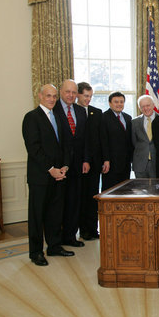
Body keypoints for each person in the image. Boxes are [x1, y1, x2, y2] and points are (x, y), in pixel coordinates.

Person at [22, 84, 74, 266]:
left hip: (60, 174)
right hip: (41, 177)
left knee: (55, 213)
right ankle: (35, 252)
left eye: (54, 96)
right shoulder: (31, 118)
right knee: (37, 216)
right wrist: (50, 169)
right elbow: (34, 148)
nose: (52, 99)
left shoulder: (58, 117)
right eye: (48, 96)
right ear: (40, 96)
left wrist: (64, 167)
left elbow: (66, 144)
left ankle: (54, 246)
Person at [53, 79, 87, 248]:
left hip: (78, 164)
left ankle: (71, 236)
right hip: (59, 166)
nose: (71, 95)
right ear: (61, 91)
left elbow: (85, 139)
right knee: (59, 203)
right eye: (68, 92)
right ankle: (56, 240)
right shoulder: (53, 109)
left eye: (74, 93)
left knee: (75, 201)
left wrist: (86, 159)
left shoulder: (81, 111)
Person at [76, 82, 107, 240]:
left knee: (93, 197)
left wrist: (105, 159)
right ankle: (82, 230)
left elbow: (101, 138)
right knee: (80, 198)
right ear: (78, 95)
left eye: (90, 96)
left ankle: (92, 229)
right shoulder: (73, 112)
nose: (88, 99)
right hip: (78, 163)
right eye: (85, 96)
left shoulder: (97, 112)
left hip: (95, 163)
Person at [101, 91, 133, 191]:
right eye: (116, 102)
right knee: (110, 191)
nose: (119, 104)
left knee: (125, 190)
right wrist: (106, 160)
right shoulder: (103, 117)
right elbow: (103, 140)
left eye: (121, 102)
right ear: (110, 103)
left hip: (125, 162)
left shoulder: (128, 118)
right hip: (111, 163)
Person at [132, 95, 157, 178]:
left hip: (157, 163)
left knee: (158, 190)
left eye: (148, 105)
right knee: (141, 190)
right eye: (143, 106)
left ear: (153, 105)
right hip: (140, 164)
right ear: (139, 108)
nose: (146, 108)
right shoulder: (134, 122)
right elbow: (133, 142)